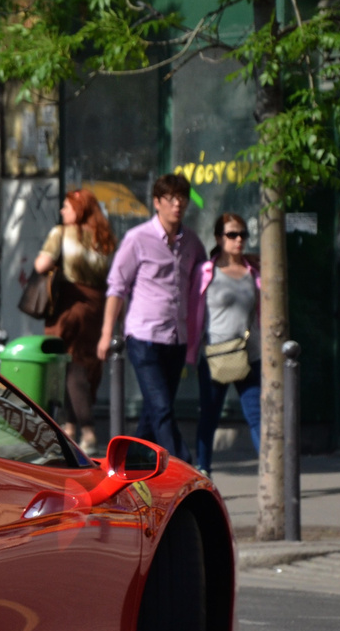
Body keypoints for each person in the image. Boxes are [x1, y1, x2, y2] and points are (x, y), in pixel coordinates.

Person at [97, 173, 208, 459]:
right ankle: (186, 468)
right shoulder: (138, 238)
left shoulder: (192, 242)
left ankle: (124, 466)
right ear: (157, 202)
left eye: (182, 198)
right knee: (162, 408)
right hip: (143, 336)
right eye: (170, 198)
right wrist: (107, 333)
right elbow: (117, 286)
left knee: (154, 411)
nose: (177, 204)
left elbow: (206, 273)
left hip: (177, 337)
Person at [33, 189, 116, 452]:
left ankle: (87, 430)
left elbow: (40, 266)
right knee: (85, 366)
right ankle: (69, 427)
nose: (62, 211)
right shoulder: (105, 239)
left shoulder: (61, 234)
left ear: (78, 210)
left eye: (67, 207)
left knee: (69, 367)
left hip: (69, 305)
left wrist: (50, 262)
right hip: (97, 308)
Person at [189, 213, 262, 475]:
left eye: (243, 234)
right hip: (215, 356)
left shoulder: (254, 271)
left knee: (256, 417)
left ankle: (268, 472)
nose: (239, 239)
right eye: (232, 234)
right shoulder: (205, 272)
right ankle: (202, 469)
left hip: (249, 354)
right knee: (209, 416)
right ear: (219, 238)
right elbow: (193, 311)